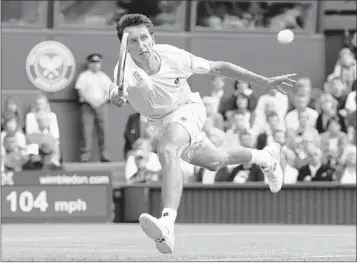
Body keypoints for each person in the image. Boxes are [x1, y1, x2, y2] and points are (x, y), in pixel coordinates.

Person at [109, 14, 297, 254]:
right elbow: (116, 91)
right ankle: (266, 157)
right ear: (125, 46)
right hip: (160, 121)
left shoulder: (174, 57)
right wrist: (116, 95)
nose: (141, 45)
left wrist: (263, 82)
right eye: (133, 41)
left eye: (144, 38)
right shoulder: (123, 69)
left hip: (187, 108)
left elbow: (219, 66)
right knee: (215, 160)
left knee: (167, 149)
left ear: (153, 38)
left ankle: (167, 223)